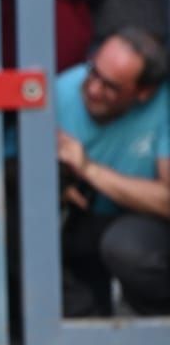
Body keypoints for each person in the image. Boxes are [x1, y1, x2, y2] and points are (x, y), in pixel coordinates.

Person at [55, 28, 170, 317]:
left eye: (111, 87)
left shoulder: (164, 104)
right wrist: (55, 179)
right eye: (93, 72)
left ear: (144, 93)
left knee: (126, 247)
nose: (93, 89)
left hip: (145, 229)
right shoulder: (59, 92)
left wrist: (89, 170)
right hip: (80, 221)